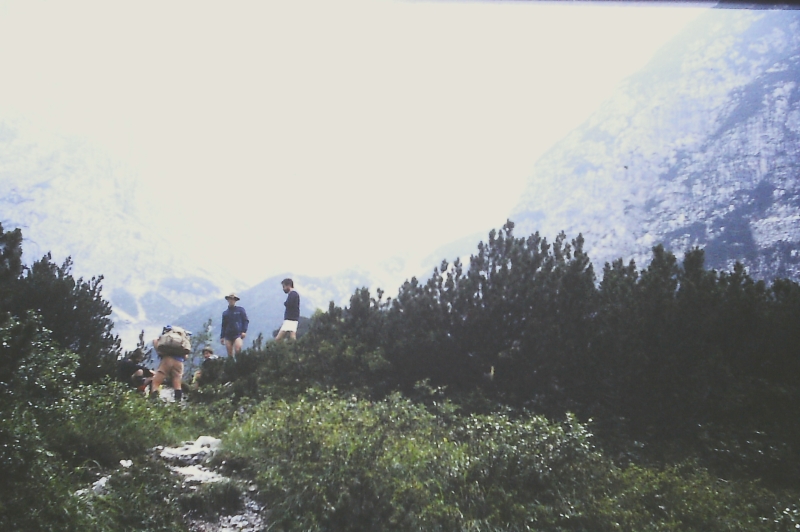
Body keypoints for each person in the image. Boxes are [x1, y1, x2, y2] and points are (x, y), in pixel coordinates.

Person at [150, 326, 187, 403]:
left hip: (167, 360)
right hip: (179, 362)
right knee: (177, 383)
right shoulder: (182, 340)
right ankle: (178, 402)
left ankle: (154, 401)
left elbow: (159, 349)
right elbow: (186, 356)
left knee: (156, 382)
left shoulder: (165, 339)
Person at [220, 293, 249, 359]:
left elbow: (245, 321)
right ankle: (231, 366)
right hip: (228, 335)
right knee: (230, 354)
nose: (231, 300)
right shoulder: (225, 313)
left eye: (233, 299)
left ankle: (239, 365)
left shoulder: (240, 310)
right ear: (228, 300)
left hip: (238, 334)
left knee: (238, 349)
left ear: (235, 300)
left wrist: (244, 331)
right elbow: (223, 325)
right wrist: (222, 336)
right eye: (230, 299)